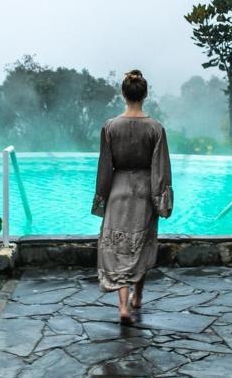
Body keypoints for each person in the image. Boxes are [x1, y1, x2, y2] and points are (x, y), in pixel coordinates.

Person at [92, 69, 173, 325]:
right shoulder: (155, 128)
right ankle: (138, 297)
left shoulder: (110, 127)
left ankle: (123, 306)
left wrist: (101, 198)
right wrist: (161, 198)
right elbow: (161, 167)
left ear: (123, 94)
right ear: (145, 94)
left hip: (118, 190)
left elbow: (105, 167)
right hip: (143, 193)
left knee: (119, 249)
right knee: (141, 244)